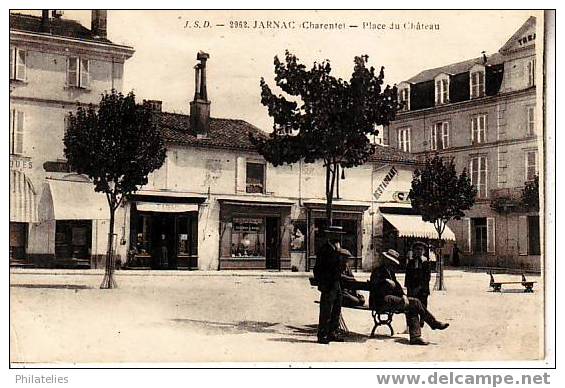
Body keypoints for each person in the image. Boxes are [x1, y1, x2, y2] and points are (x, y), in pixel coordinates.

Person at [369, 249, 449, 345]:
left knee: (412, 305)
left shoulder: (390, 271)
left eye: (393, 262)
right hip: (380, 301)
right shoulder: (378, 271)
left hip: (389, 299)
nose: (392, 264)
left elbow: (397, 286)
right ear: (385, 260)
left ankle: (415, 337)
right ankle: (433, 323)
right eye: (390, 261)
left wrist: (403, 295)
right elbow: (374, 286)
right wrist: (385, 282)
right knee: (414, 302)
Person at [313, 225, 348, 344]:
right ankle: (322, 335)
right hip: (328, 284)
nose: (339, 237)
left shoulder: (336, 249)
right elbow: (317, 269)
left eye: (340, 235)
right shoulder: (325, 249)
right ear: (330, 236)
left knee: (336, 308)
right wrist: (322, 283)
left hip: (336, 283)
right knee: (326, 310)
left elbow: (340, 268)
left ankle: (332, 332)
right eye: (337, 235)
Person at [405, 241, 432, 327]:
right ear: (413, 251)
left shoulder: (426, 263)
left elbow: (427, 278)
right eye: (417, 249)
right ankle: (412, 323)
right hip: (412, 288)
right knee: (411, 306)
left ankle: (422, 319)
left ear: (423, 251)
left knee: (423, 304)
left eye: (421, 249)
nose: (419, 251)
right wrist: (409, 288)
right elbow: (407, 277)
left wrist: (420, 287)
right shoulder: (411, 263)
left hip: (422, 288)